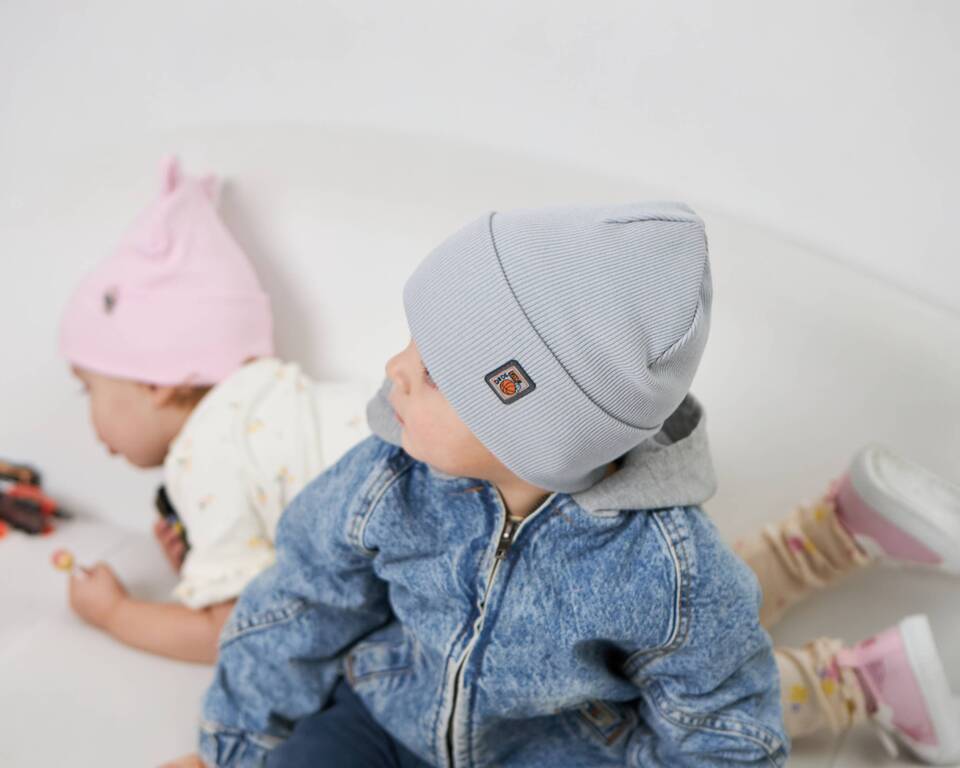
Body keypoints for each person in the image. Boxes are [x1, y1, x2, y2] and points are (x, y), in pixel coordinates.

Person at [59, 157, 369, 663]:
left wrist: (114, 613)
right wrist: (207, 565)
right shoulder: (267, 395)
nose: (88, 415)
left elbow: (232, 633)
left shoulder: (203, 456)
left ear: (155, 382)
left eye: (87, 389)